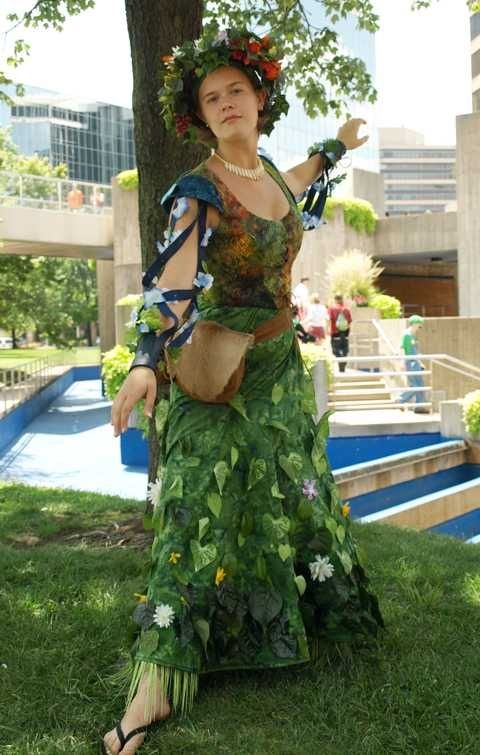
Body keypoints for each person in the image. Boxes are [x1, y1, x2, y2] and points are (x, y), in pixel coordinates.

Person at [103, 29, 383, 755]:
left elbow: (305, 168)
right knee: (198, 502)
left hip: (280, 370)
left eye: (237, 91)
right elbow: (171, 280)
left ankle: (299, 615)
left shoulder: (276, 182)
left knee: (294, 490)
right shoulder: (197, 191)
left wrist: (341, 143)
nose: (227, 103)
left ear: (260, 99)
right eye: (211, 97)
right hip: (217, 372)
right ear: (199, 115)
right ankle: (155, 682)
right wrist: (143, 360)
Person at [398, 314, 428, 413]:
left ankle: (420, 407)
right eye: (419, 326)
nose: (419, 328)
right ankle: (400, 400)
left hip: (415, 362)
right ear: (414, 324)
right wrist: (402, 363)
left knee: (420, 384)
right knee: (415, 385)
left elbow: (414, 350)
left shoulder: (412, 335)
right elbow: (402, 349)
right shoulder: (406, 334)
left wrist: (420, 362)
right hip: (410, 362)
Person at [328, 294, 352, 373]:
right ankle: (343, 363)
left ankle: (340, 360)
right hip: (345, 334)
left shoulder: (332, 308)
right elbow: (349, 321)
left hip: (335, 333)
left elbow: (330, 319)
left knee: (335, 350)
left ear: (335, 299)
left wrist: (328, 330)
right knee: (345, 350)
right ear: (342, 299)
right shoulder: (346, 309)